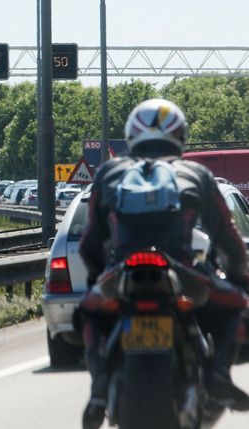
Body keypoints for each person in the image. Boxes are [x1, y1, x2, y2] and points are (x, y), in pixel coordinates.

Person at [78, 98, 249, 429]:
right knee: (237, 306)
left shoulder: (109, 172)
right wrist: (242, 277)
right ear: (180, 135)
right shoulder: (196, 173)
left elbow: (90, 242)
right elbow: (227, 236)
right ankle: (217, 376)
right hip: (182, 271)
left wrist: (98, 278)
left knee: (87, 311)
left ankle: (99, 389)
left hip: (122, 272)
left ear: (131, 135)